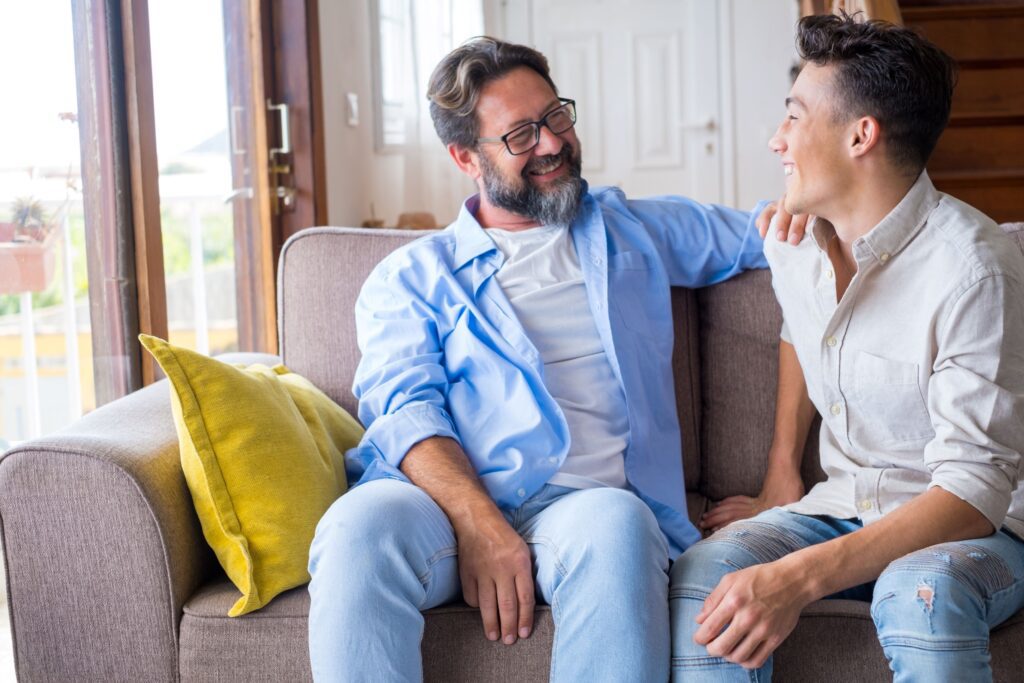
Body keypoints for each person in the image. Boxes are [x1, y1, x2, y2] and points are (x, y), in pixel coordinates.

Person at [306, 36, 785, 681]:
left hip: (583, 508)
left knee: (620, 524)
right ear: (464, 157)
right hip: (441, 507)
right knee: (358, 527)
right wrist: (478, 523)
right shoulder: (413, 277)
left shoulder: (630, 230)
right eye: (521, 135)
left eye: (556, 116)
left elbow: (769, 231)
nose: (553, 143)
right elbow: (404, 410)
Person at [671, 13, 1024, 681]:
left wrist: (796, 578)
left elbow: (974, 491)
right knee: (702, 578)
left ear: (862, 135)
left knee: (921, 594)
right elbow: (800, 333)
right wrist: (782, 468)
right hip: (841, 505)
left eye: (795, 117)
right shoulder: (793, 240)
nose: (777, 141)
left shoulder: (973, 268)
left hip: (982, 527)